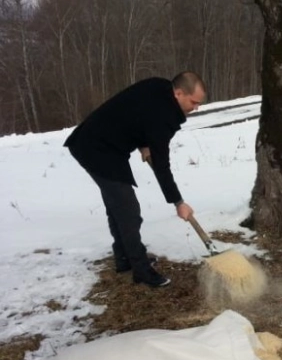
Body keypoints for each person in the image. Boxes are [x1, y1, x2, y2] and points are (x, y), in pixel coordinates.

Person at [64, 72, 206, 287]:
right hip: (96, 149)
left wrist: (144, 141)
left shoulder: (159, 87)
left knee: (117, 207)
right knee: (128, 211)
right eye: (194, 102)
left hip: (98, 142)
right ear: (178, 93)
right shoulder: (163, 116)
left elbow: (135, 113)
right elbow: (162, 165)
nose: (196, 107)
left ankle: (124, 259)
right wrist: (178, 202)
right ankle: (141, 270)